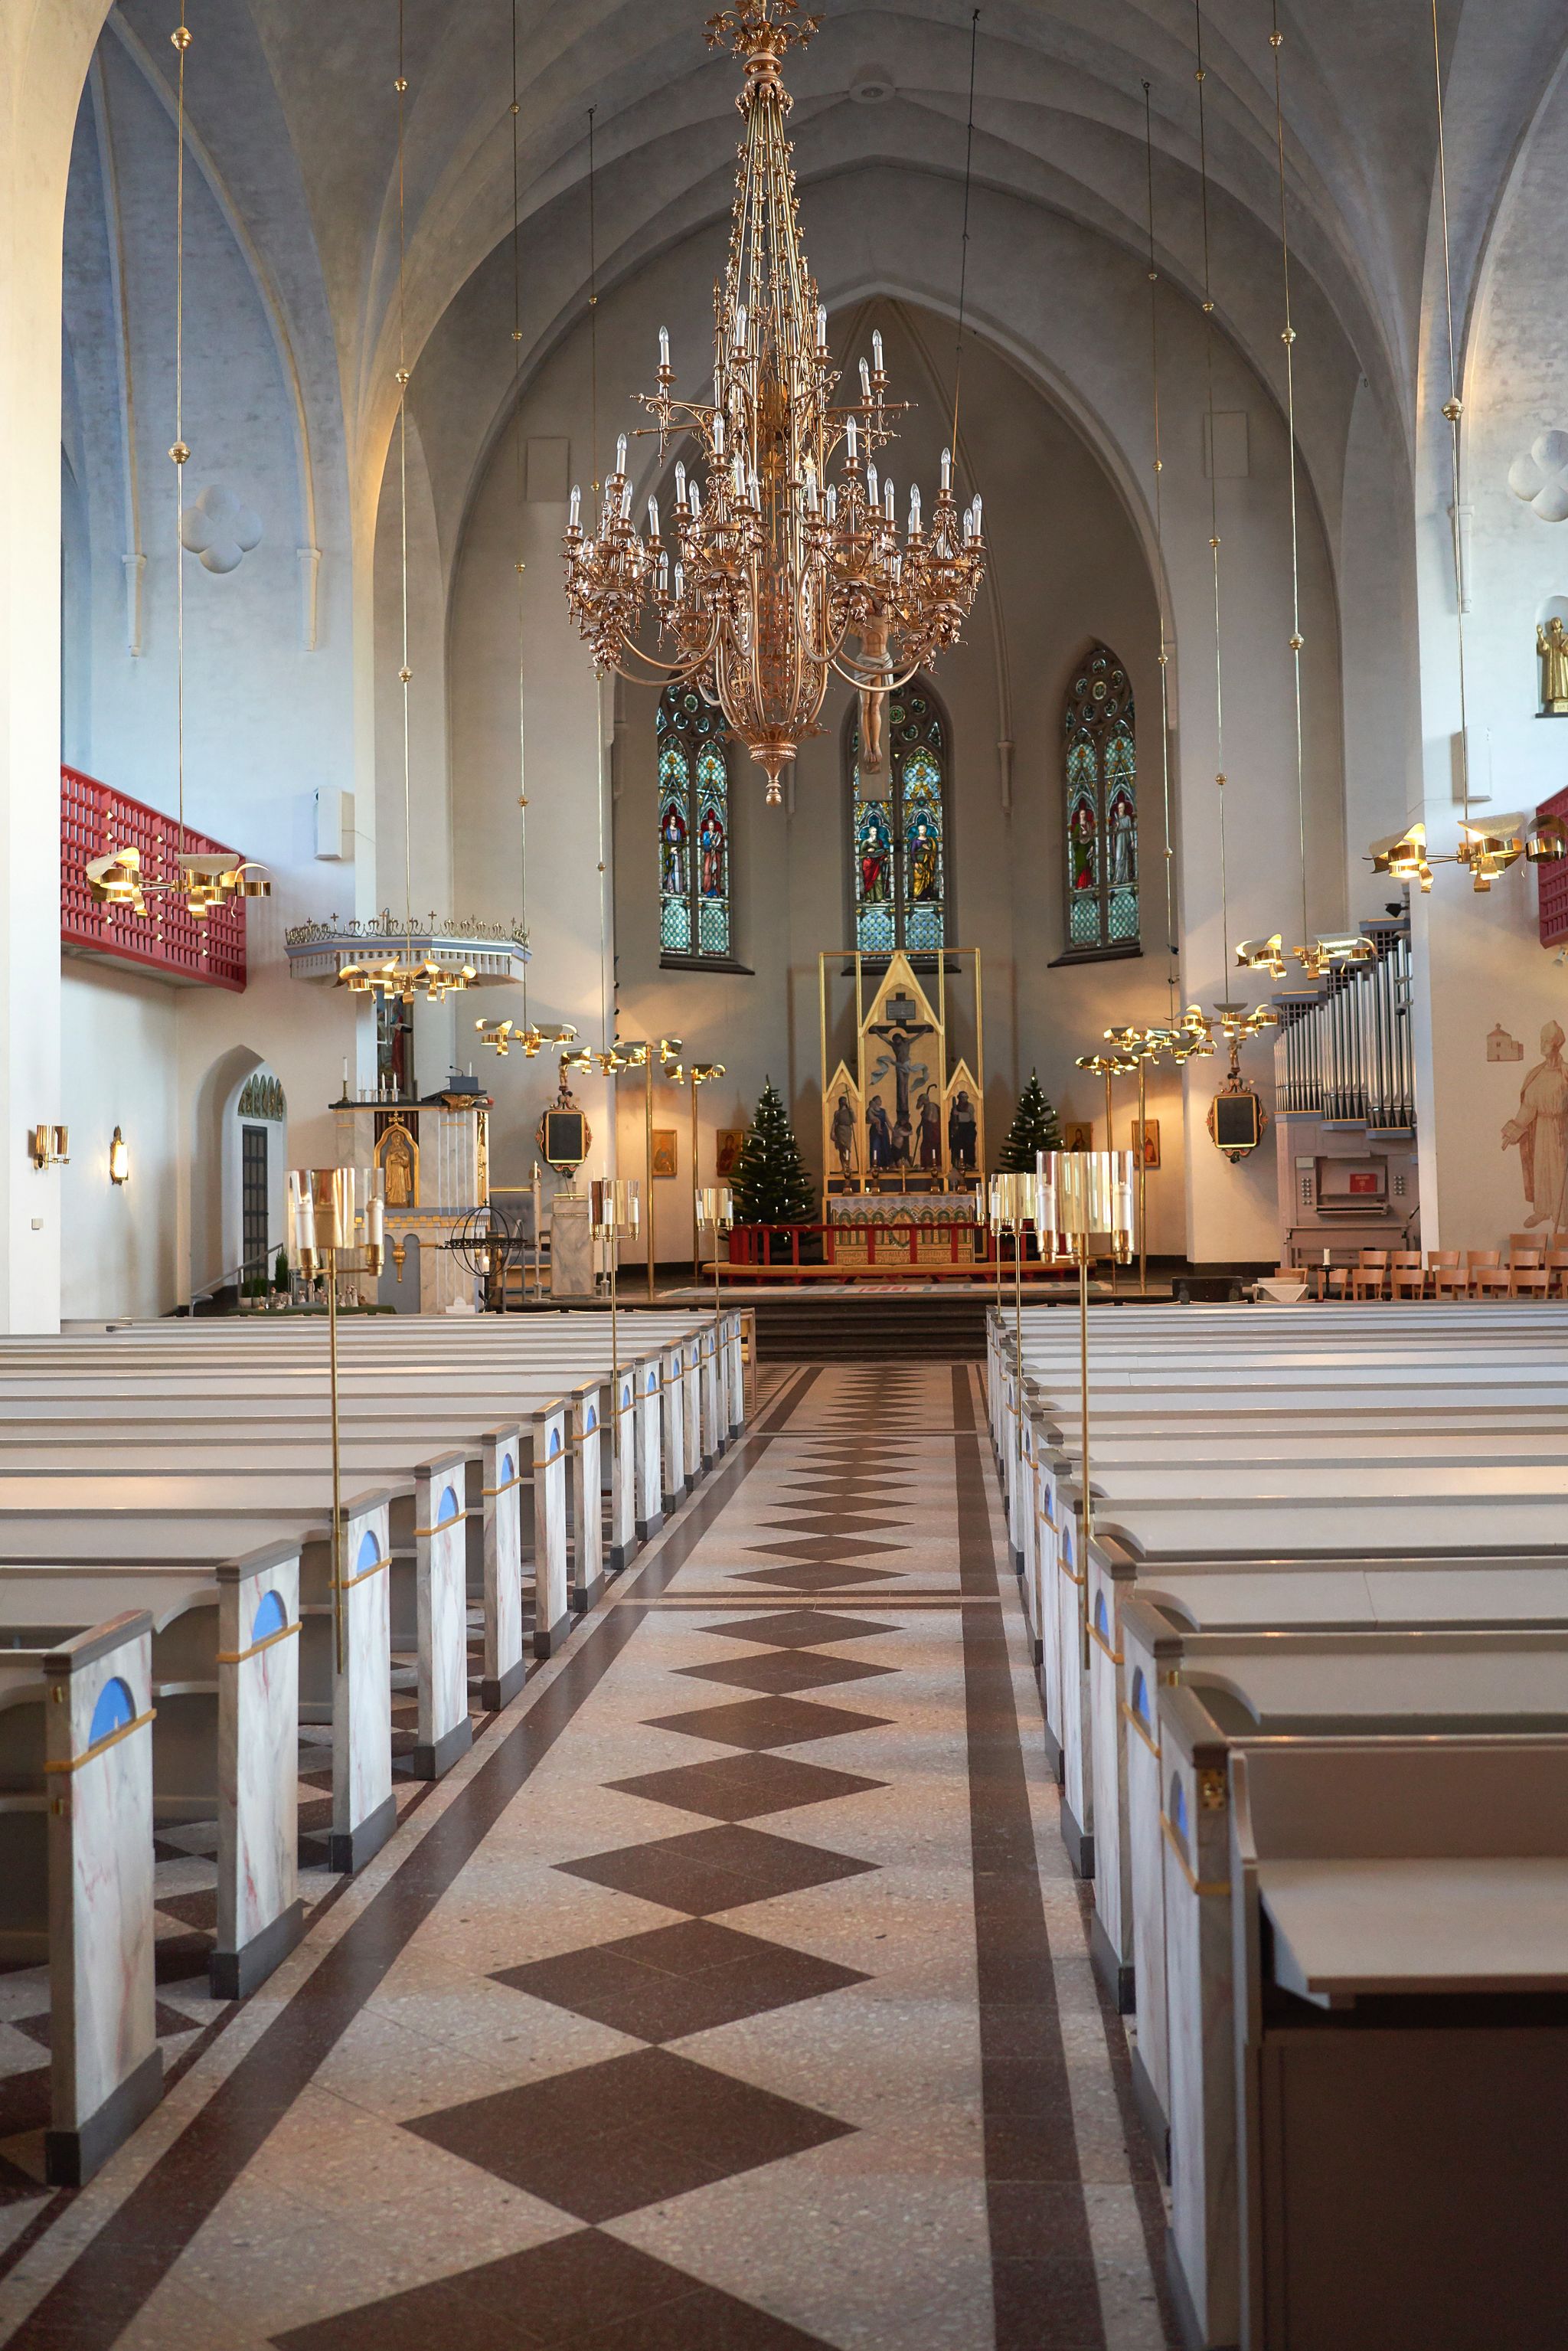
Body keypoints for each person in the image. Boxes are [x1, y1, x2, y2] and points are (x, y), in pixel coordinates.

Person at [1503, 1020, 1568, 1228]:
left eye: (1547, 1040)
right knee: (1541, 1170)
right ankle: (1542, 1210)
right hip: (1541, 1131)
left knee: (1560, 1172)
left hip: (1561, 1130)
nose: (1543, 1044)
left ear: (1558, 1044)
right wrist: (1513, 1131)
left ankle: (1563, 1215)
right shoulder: (1536, 1074)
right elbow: (1528, 1107)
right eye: (1541, 1039)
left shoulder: (1566, 1073)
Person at [948, 1088, 977, 1172]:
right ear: (959, 1098)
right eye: (962, 1097)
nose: (964, 1099)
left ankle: (969, 1164)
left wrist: (958, 1114)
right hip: (959, 1132)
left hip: (968, 1131)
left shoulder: (970, 1106)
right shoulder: (956, 1108)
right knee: (957, 1147)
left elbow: (969, 1117)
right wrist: (953, 1126)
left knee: (969, 1147)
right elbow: (952, 1120)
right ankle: (958, 1164)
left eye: (965, 1097)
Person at [830, 1090, 857, 1181]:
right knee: (841, 1150)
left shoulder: (849, 1111)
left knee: (847, 1149)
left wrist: (851, 1111)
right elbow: (834, 1123)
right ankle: (843, 1167)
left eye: (844, 1101)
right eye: (842, 1101)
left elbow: (855, 1120)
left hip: (847, 1131)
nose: (843, 1103)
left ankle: (847, 1166)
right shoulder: (837, 1112)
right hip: (839, 1131)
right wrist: (832, 1132)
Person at [867, 1095, 893, 1172]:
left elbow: (887, 1121)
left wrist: (892, 1130)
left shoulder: (883, 1111)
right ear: (875, 1102)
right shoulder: (871, 1110)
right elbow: (867, 1120)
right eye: (879, 1100)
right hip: (875, 1130)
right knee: (875, 1147)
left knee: (885, 1146)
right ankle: (875, 1165)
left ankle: (885, 1165)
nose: (881, 1101)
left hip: (884, 1130)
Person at [919, 1088, 942, 1169]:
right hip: (929, 1134)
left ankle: (932, 1166)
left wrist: (923, 1114)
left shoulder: (931, 1106)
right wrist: (919, 1127)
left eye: (920, 1100)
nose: (919, 1102)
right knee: (926, 1148)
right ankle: (927, 1166)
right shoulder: (927, 1106)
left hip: (933, 1133)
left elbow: (932, 1119)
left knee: (930, 1148)